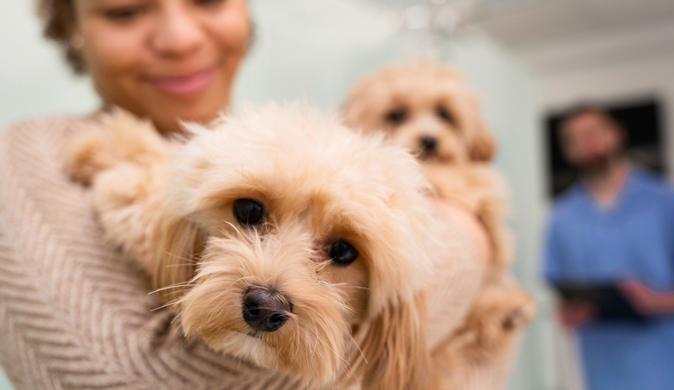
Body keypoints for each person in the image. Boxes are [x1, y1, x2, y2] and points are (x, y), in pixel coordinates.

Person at [0, 0, 503, 389]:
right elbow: (127, 378)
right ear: (69, 24)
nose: (179, 38)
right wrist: (467, 238)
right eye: (125, 10)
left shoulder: (299, 144)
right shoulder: (24, 156)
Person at [543, 105, 674, 390]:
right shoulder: (561, 219)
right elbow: (558, 290)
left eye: (592, 132)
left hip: (669, 371)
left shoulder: (670, 203)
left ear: (616, 133)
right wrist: (570, 311)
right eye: (574, 138)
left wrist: (655, 300)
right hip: (602, 374)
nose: (587, 142)